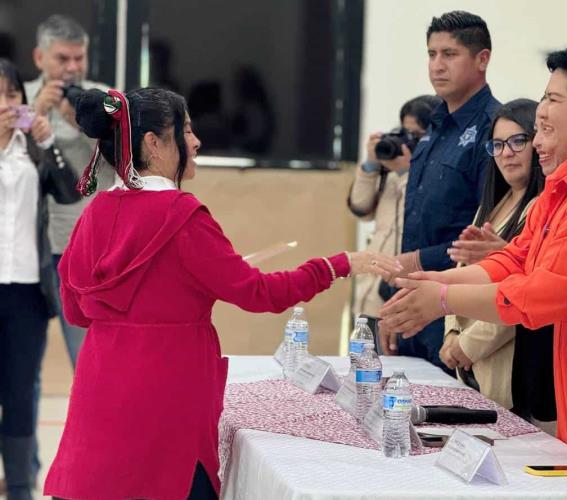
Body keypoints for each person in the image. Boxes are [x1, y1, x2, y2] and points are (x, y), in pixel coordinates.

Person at [43, 87, 400, 500]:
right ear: (154, 144)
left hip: (101, 386)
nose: (195, 142)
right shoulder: (183, 217)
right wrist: (335, 265)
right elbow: (259, 294)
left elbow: (77, 311)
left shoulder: (94, 213)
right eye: (187, 131)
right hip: (168, 390)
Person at [380, 45, 567, 478]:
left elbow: (550, 291)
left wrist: (444, 299)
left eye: (553, 101)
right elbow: (518, 256)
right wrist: (437, 280)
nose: (542, 111)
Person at [388, 11, 500, 370]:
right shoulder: (434, 124)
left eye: (449, 54)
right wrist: (399, 297)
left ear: (482, 59)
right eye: (432, 54)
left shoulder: (494, 130)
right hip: (415, 302)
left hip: (458, 312)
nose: (437, 65)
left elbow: (490, 235)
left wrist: (419, 262)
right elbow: (417, 224)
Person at [442, 99, 555, 432]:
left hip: (511, 365)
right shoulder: (492, 206)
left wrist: (467, 345)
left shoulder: (541, 206)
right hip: (470, 363)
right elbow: (459, 269)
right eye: (498, 144)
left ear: (537, 142)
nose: (507, 153)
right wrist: (450, 333)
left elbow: (525, 288)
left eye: (518, 141)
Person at [0, 58, 79, 500]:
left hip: (29, 293)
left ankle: (19, 489)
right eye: (2, 95)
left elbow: (69, 191)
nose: (10, 104)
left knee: (21, 396)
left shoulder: (32, 150)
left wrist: (49, 144)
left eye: (14, 95)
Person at [24, 14, 111, 368]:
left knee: (89, 356)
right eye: (63, 58)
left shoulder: (103, 98)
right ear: (39, 58)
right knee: (20, 362)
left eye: (79, 58)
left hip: (84, 247)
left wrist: (81, 118)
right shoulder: (17, 97)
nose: (72, 67)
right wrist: (35, 113)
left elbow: (126, 154)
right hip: (25, 248)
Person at [348, 95, 440, 320]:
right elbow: (361, 208)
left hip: (397, 298)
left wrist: (407, 173)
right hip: (365, 296)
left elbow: (421, 215)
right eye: (404, 133)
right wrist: (370, 167)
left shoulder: (435, 177)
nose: (407, 143)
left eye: (416, 136)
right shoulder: (391, 171)